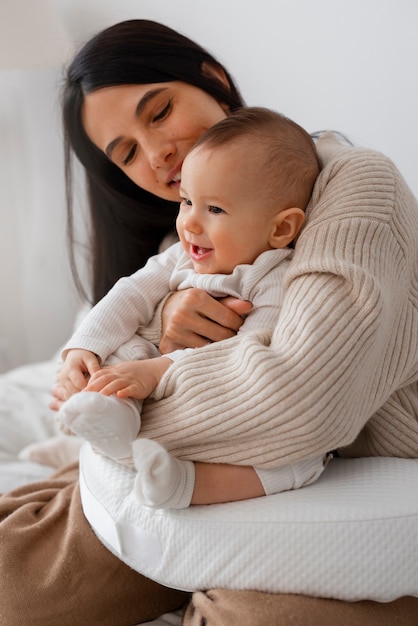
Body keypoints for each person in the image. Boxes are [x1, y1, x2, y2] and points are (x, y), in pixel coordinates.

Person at [1, 18, 417, 626]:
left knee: (247, 618)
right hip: (206, 454)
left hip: (350, 465)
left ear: (213, 81)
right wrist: (162, 335)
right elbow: (118, 322)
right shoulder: (191, 238)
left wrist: (132, 396)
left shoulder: (353, 182)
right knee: (13, 580)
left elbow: (300, 399)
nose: (158, 153)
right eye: (127, 154)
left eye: (160, 112)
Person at [56, 106, 326, 510]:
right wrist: (84, 349)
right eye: (186, 202)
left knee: (299, 462)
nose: (190, 224)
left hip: (223, 400)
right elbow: (128, 294)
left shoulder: (273, 278)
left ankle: (180, 484)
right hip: (156, 371)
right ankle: (112, 417)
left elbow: (252, 355)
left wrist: (157, 372)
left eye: (214, 209)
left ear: (281, 228)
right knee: (125, 350)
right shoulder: (182, 256)